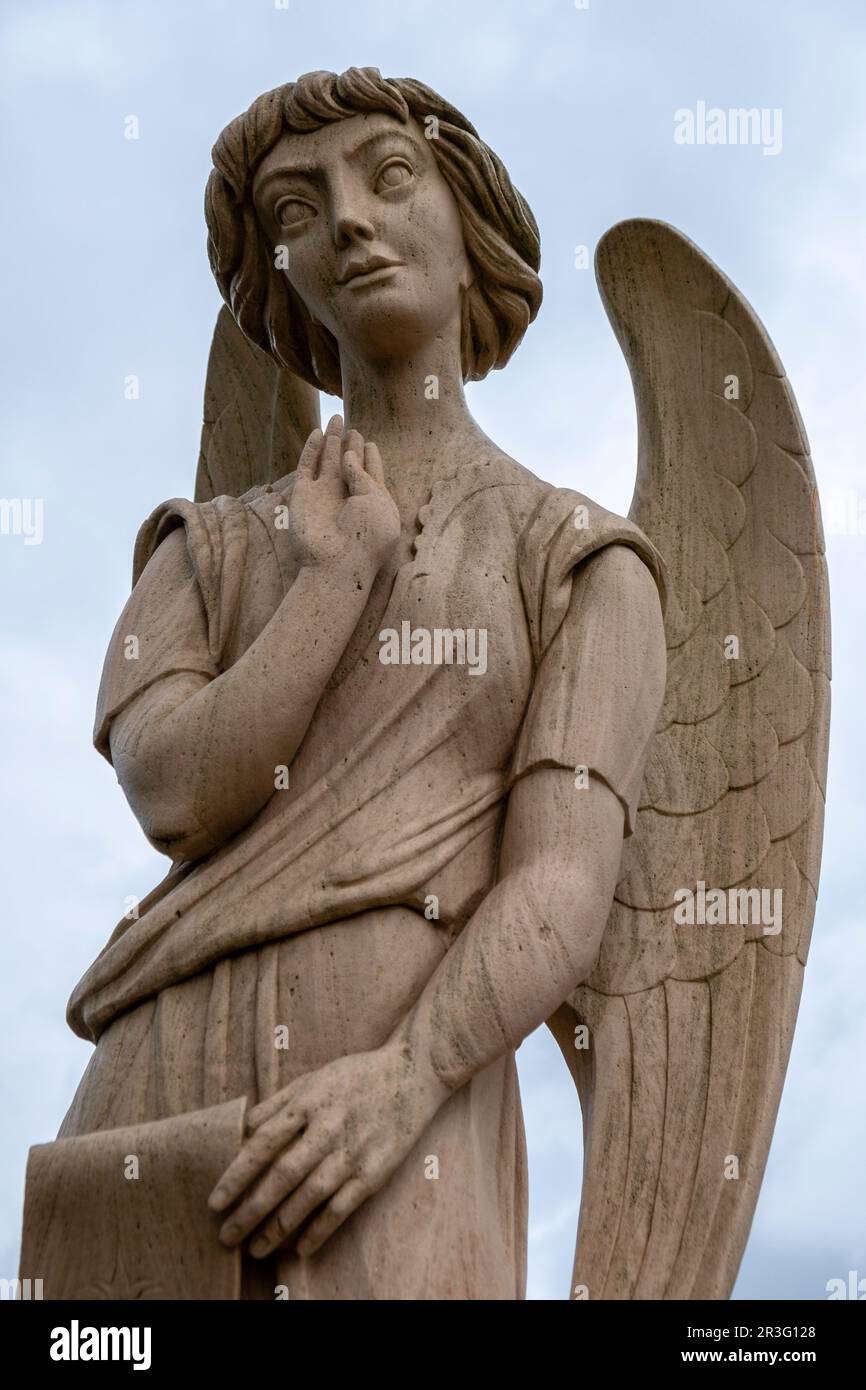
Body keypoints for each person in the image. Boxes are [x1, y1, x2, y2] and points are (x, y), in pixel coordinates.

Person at [60, 68, 667, 1300]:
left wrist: (404, 1081)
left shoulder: (577, 563)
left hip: (398, 1101)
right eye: (294, 210)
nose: (344, 220)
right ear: (277, 277)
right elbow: (171, 788)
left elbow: (560, 876)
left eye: (388, 177)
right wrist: (332, 582)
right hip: (155, 1090)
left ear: (468, 217)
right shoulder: (209, 543)